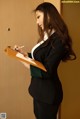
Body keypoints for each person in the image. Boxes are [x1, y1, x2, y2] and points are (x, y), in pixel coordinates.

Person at [14, 2, 76, 119]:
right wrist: (23, 54)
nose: (37, 22)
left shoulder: (59, 40)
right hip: (38, 91)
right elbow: (39, 59)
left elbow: (46, 70)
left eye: (38, 17)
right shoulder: (47, 36)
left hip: (48, 94)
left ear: (49, 15)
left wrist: (21, 59)